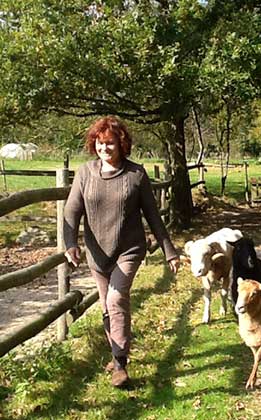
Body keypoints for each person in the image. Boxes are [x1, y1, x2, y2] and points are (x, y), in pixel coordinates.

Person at [64, 116, 180, 388]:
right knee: (106, 305)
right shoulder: (85, 173)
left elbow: (153, 216)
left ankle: (120, 363)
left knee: (116, 299)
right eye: (100, 143)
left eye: (111, 143)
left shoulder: (135, 175)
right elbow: (71, 212)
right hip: (97, 252)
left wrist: (169, 251)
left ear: (122, 144)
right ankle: (116, 349)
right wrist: (71, 243)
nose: (105, 148)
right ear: (95, 144)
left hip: (128, 249)